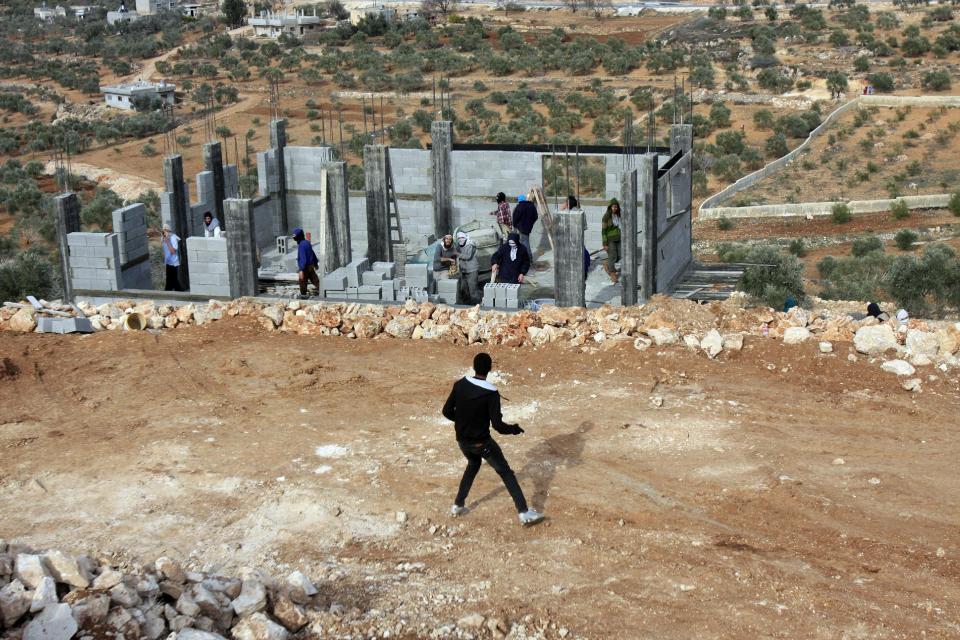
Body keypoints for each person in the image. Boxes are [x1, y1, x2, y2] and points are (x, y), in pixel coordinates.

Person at [442, 352, 544, 526]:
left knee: (473, 465)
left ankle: (458, 505)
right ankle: (524, 512)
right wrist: (514, 429)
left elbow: (446, 411)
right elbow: (497, 425)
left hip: (462, 441)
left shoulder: (460, 385)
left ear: (474, 367)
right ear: (490, 369)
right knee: (505, 472)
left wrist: (463, 421)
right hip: (482, 443)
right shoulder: (491, 393)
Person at [293, 227, 319, 297]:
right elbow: (312, 253)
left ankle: (303, 297)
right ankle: (324, 292)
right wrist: (315, 263)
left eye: (295, 236)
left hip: (305, 268)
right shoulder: (307, 243)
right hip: (311, 266)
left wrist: (301, 270)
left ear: (298, 236)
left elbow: (303, 258)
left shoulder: (301, 245)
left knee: (303, 284)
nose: (294, 238)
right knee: (316, 281)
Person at [601, 198, 622, 284]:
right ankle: (613, 274)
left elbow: (619, 226)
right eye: (613, 207)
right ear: (610, 207)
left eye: (616, 207)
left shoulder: (618, 215)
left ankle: (607, 263)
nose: (614, 208)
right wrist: (605, 244)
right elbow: (603, 231)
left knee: (619, 256)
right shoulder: (606, 217)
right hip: (610, 239)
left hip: (618, 238)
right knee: (613, 256)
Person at [456, 231, 480, 305]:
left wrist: (457, 254)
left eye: (462, 237)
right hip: (463, 270)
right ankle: (466, 306)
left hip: (472, 270)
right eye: (459, 238)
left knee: (473, 289)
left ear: (466, 237)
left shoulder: (470, 245)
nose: (461, 239)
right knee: (464, 289)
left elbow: (468, 256)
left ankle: (476, 305)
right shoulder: (458, 246)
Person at [511, 194, 539, 258]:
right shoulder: (532, 205)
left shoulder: (519, 207)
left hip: (521, 228)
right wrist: (531, 223)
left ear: (519, 200)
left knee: (525, 242)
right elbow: (536, 217)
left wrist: (515, 225)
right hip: (529, 227)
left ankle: (529, 257)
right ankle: (525, 257)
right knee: (525, 241)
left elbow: (515, 218)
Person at [161, 223, 182, 291]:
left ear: (168, 231)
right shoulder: (164, 238)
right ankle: (177, 292)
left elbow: (173, 251)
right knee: (171, 280)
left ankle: (171, 293)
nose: (164, 233)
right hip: (168, 262)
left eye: (165, 231)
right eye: (163, 231)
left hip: (174, 263)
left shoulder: (173, 238)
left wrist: (168, 242)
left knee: (173, 280)